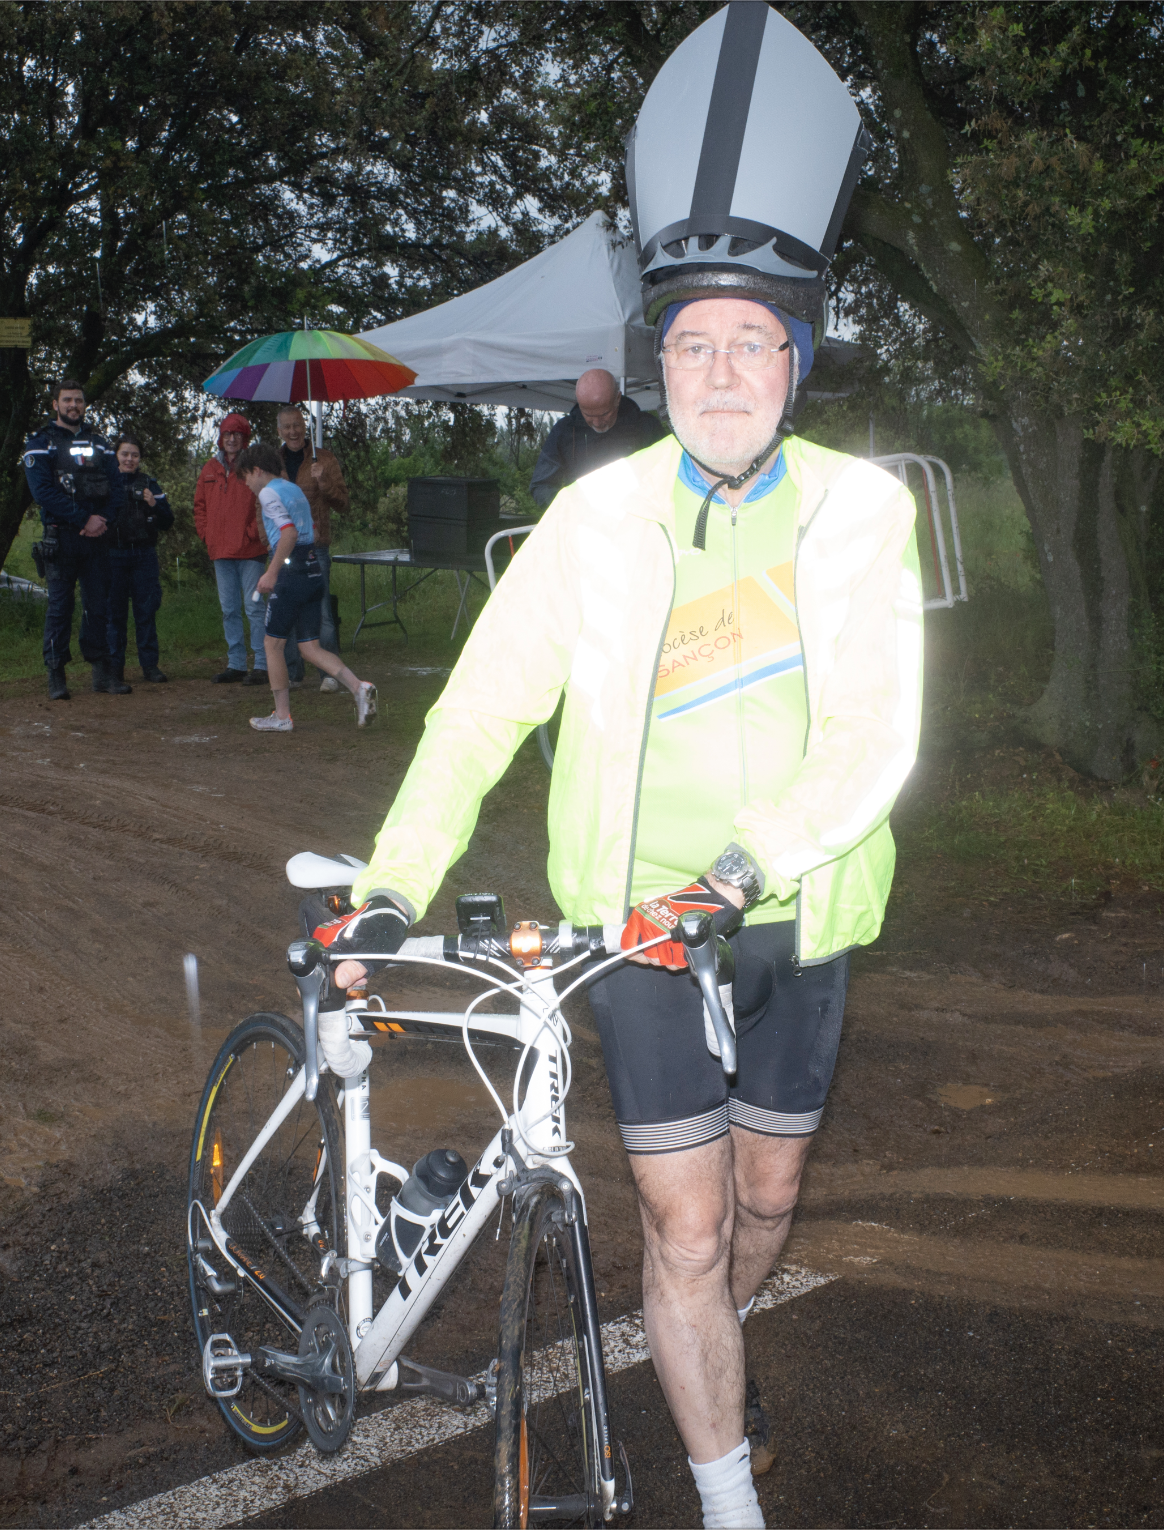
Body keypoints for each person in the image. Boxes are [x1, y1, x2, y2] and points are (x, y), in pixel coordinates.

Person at [323, 11, 919, 1528]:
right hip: (639, 932)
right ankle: (727, 1496)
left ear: (800, 353)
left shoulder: (860, 512)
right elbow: (476, 712)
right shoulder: (595, 521)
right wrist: (396, 881)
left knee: (763, 1204)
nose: (722, 367)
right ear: (657, 361)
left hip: (794, 912)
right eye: (692, 340)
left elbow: (872, 730)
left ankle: (719, 1330)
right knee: (681, 1208)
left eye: (753, 338)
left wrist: (745, 869)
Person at [234, 442, 377, 733]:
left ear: (257, 471)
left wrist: (272, 573)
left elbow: (289, 532)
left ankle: (282, 716)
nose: (246, 484)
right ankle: (359, 687)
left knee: (272, 644)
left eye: (246, 476)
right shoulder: (293, 489)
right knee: (310, 647)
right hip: (313, 570)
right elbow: (310, 528)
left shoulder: (268, 493)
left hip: (291, 573)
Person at [22, 379, 130, 700]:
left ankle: (101, 672)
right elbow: (43, 492)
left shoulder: (101, 443)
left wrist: (102, 520)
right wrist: (84, 518)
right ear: (55, 404)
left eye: (79, 400)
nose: (73, 405)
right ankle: (56, 674)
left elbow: (117, 489)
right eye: (67, 400)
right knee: (60, 606)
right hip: (61, 538)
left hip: (97, 538)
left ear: (84, 405)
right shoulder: (39, 443)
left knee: (98, 605)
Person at [276, 405, 349, 692]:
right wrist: (268, 541)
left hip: (315, 547)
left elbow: (343, 503)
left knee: (322, 613)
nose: (293, 431)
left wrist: (324, 481)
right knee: (287, 610)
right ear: (280, 430)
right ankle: (293, 673)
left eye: (297, 425)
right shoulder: (273, 462)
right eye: (287, 427)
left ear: (305, 426)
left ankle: (329, 674)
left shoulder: (325, 459)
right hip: (283, 547)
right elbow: (261, 504)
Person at [193, 413, 268, 685]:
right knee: (229, 610)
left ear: (245, 438)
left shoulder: (255, 466)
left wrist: (251, 532)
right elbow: (199, 506)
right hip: (221, 552)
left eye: (237, 434)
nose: (232, 438)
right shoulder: (210, 468)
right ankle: (236, 664)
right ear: (220, 437)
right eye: (227, 433)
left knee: (254, 608)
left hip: (250, 551)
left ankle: (262, 664)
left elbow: (265, 502)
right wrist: (207, 534)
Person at [528, 367, 667, 508]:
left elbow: (667, 476)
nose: (597, 423)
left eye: (604, 414)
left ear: (617, 399)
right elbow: (541, 485)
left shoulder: (646, 427)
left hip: (637, 519)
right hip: (583, 522)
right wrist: (571, 508)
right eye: (588, 415)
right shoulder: (564, 431)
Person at [106, 434, 174, 683]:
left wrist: (154, 505)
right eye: (125, 454)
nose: (129, 459)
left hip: (144, 556)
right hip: (113, 556)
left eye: (134, 455)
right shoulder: (106, 482)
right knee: (115, 616)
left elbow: (168, 521)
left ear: (140, 458)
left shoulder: (150, 484)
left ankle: (150, 666)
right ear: (116, 456)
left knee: (146, 612)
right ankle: (115, 669)